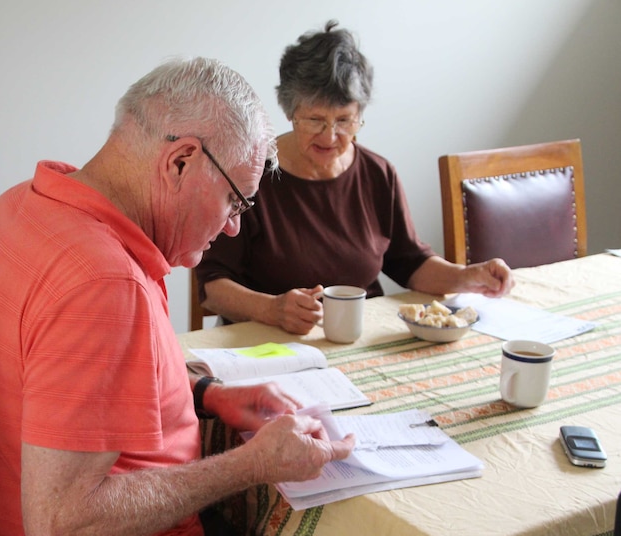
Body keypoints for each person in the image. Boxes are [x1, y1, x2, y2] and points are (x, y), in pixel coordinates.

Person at [0, 57, 356, 536]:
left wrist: (208, 394)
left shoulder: (19, 206)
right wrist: (252, 464)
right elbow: (60, 529)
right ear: (180, 161)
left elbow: (82, 379)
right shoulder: (103, 282)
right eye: (235, 201)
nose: (233, 227)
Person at [195, 21, 514, 336]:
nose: (330, 136)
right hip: (271, 342)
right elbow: (213, 286)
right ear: (290, 112)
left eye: (345, 120)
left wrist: (469, 276)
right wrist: (272, 309)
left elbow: (411, 263)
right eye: (315, 120)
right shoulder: (252, 176)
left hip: (356, 339)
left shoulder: (378, 174)